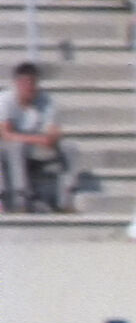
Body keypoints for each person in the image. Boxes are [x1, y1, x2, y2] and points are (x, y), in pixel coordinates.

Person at [2, 63, 76, 214]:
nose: (29, 87)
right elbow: (6, 134)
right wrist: (38, 139)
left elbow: (52, 129)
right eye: (25, 83)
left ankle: (66, 198)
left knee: (69, 148)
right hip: (8, 147)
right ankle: (21, 198)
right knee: (17, 146)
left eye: (32, 83)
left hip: (35, 145)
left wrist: (53, 135)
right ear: (17, 83)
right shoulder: (5, 100)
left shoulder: (45, 100)